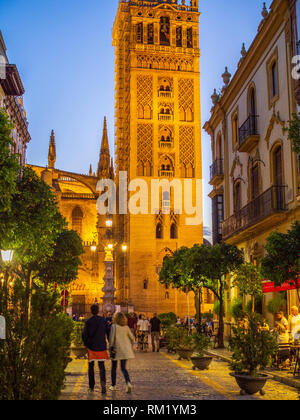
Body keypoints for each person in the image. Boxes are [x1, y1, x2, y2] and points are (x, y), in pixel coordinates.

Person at [82, 304, 110, 394]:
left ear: (91, 311)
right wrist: (109, 342)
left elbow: (84, 335)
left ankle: (91, 386)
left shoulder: (88, 321)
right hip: (101, 346)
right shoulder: (103, 320)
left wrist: (86, 344)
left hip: (91, 347)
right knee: (101, 367)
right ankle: (103, 384)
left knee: (91, 367)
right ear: (98, 311)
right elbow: (108, 332)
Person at [109, 312, 135, 393]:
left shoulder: (114, 327)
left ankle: (113, 385)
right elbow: (133, 339)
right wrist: (129, 345)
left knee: (114, 368)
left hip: (116, 350)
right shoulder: (126, 327)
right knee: (123, 368)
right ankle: (128, 383)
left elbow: (112, 340)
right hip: (125, 350)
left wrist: (110, 347)